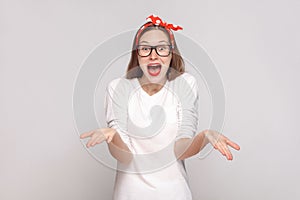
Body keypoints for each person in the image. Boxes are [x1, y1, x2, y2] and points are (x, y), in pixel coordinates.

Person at [80, 14, 240, 200]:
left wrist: (204, 136)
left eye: (161, 48)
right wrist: (114, 137)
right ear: (137, 55)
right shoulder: (118, 88)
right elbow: (125, 157)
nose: (153, 55)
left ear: (171, 54)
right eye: (145, 49)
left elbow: (181, 150)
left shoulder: (184, 85)